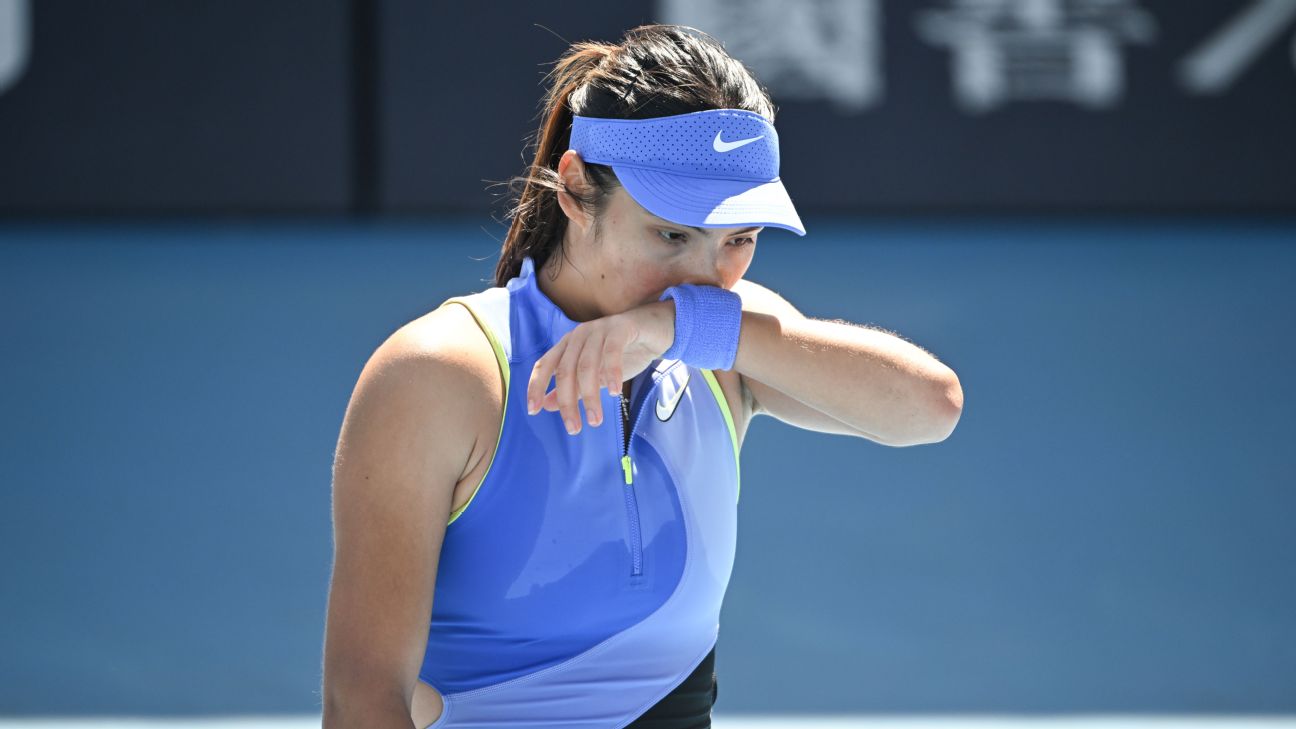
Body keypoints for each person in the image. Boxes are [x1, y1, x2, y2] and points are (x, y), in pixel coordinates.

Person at [321, 24, 963, 729]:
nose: (705, 278)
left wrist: (687, 330)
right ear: (574, 189)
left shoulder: (724, 342)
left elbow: (931, 407)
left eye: (739, 239)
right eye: (672, 234)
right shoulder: (439, 375)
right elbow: (363, 700)